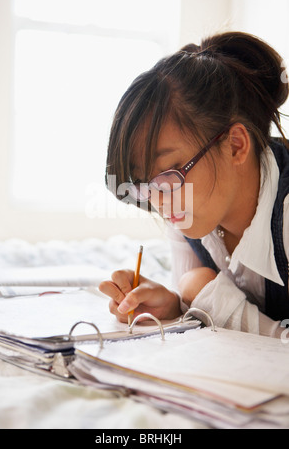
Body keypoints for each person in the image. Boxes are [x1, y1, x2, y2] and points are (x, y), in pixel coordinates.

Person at [99, 31, 289, 338]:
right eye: (144, 182)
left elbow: (204, 294)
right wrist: (175, 303)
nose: (158, 201)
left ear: (235, 146)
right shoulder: (183, 208)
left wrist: (206, 296)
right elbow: (195, 293)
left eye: (169, 172)